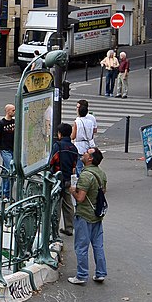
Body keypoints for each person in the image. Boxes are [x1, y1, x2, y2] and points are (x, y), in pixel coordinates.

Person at [68, 147, 107, 285]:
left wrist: (73, 190)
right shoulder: (101, 173)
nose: (83, 153)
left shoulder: (86, 175)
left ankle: (82, 275)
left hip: (85, 215)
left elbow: (80, 198)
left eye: (86, 153)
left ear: (90, 158)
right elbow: (103, 191)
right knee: (98, 245)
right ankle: (100, 273)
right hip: (97, 214)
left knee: (81, 246)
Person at [50, 122, 79, 236]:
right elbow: (74, 165)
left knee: (56, 204)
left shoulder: (58, 146)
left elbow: (52, 160)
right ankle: (69, 227)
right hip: (68, 179)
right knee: (68, 205)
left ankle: (55, 230)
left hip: (57, 179)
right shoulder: (73, 148)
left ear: (60, 134)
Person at [0, 104, 16, 200]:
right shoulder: (1, 123)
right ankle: (6, 194)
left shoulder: (14, 122)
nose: (14, 112)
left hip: (13, 149)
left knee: (6, 171)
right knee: (11, 170)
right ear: (8, 111)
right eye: (13, 110)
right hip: (5, 149)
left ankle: (3, 192)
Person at [72, 99, 97, 175]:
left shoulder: (77, 121)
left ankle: (81, 182)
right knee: (87, 165)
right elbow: (93, 132)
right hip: (88, 145)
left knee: (79, 166)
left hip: (79, 146)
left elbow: (73, 136)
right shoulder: (90, 121)